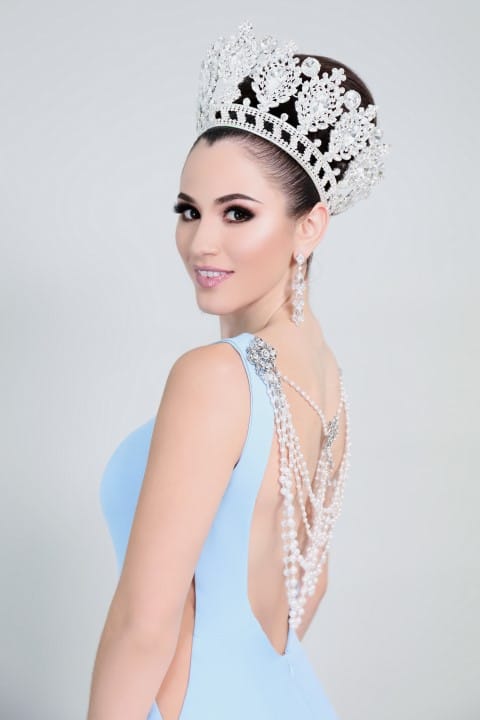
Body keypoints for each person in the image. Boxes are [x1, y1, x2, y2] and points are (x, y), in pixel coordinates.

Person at [87, 21, 390, 720]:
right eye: (189, 210)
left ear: (309, 226)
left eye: (237, 213)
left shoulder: (214, 377)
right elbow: (309, 585)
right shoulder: (325, 379)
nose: (202, 240)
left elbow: (144, 625)